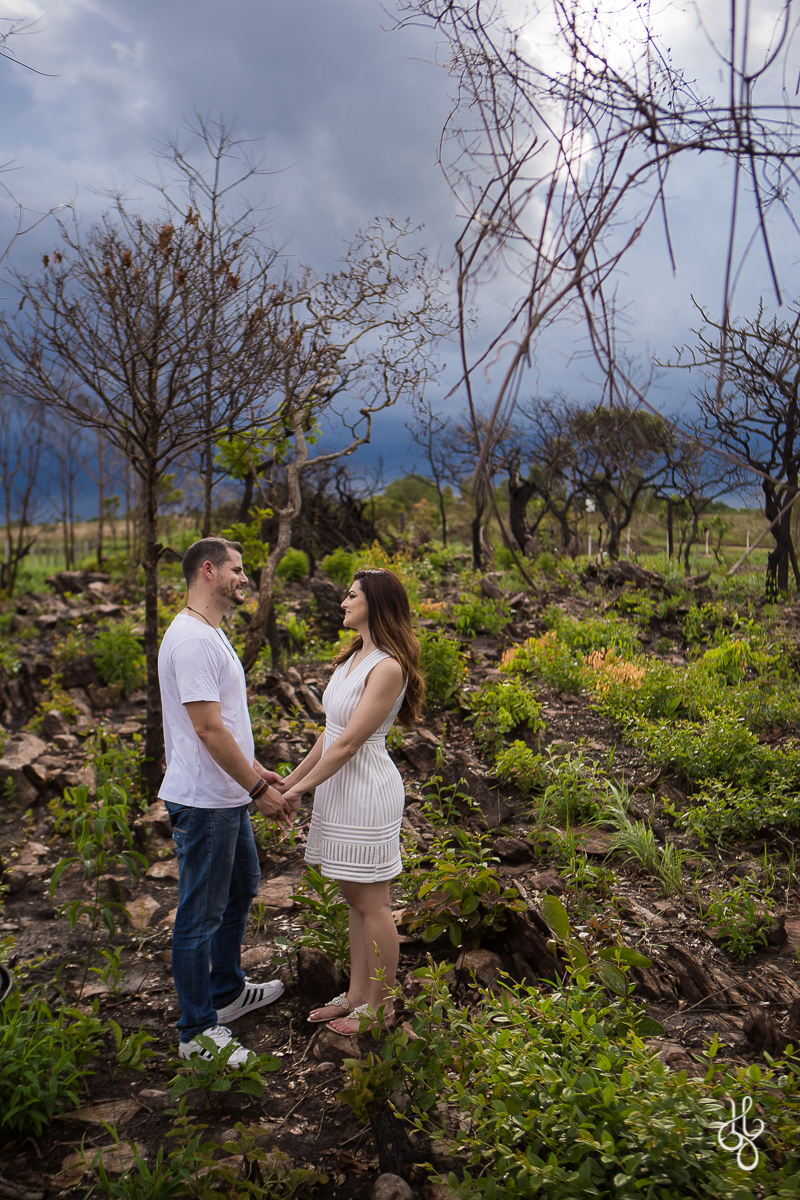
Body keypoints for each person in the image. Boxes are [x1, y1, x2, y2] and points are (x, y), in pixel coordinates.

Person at [158, 537, 298, 1066]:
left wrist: (254, 772)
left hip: (227, 792)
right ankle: (197, 1032)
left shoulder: (211, 633)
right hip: (206, 802)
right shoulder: (192, 639)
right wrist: (260, 790)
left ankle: (227, 992)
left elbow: (225, 727)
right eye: (237, 570)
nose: (245, 579)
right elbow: (208, 729)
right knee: (200, 914)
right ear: (209, 571)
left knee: (241, 888)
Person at [276, 568, 423, 1034]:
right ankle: (358, 996)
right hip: (339, 785)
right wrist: (290, 780)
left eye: (351, 595)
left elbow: (350, 744)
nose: (343, 601)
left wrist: (300, 790)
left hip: (366, 787)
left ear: (375, 604)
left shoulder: (388, 666)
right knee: (351, 895)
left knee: (372, 899)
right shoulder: (353, 657)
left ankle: (381, 1006)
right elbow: (330, 734)